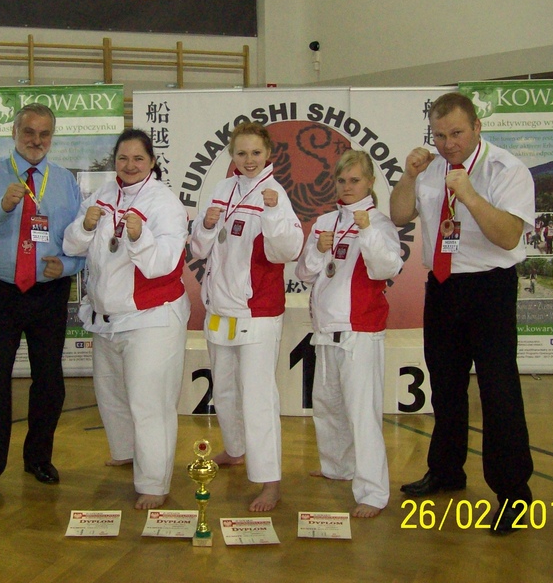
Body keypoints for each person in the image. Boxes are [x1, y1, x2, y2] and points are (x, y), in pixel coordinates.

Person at [389, 92, 535, 535]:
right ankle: (447, 471)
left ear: (476, 127)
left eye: (456, 133)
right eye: (439, 135)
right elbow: (398, 215)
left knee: (498, 390)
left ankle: (513, 494)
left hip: (490, 287)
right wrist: (408, 176)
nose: (448, 143)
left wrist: (469, 195)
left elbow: (508, 236)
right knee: (445, 386)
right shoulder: (431, 167)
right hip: (443, 286)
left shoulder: (505, 169)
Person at [63, 129, 190, 510]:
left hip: (151, 317)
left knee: (150, 403)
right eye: (123, 158)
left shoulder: (165, 204)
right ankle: (127, 452)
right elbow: (72, 245)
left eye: (138, 159)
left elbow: (164, 264)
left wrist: (139, 237)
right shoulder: (102, 195)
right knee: (112, 395)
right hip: (107, 317)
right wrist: (86, 226)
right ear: (114, 161)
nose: (130, 165)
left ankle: (154, 482)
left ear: (152, 162)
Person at [0, 103, 83, 502]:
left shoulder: (65, 180)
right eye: (29, 132)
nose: (36, 140)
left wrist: (68, 265)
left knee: (49, 380)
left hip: (48, 292)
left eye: (44, 133)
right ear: (14, 133)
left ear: (52, 137)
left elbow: (80, 239)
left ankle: (38, 458)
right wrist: (1, 206)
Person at [189, 121, 304, 512]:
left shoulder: (275, 194)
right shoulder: (222, 189)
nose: (249, 160)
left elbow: (287, 251)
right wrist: (206, 226)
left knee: (258, 398)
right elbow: (200, 249)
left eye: (256, 152)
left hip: (257, 310)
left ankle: (270, 481)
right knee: (223, 388)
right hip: (220, 306)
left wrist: (271, 214)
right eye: (241, 153)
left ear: (268, 153)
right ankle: (236, 448)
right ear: (232, 155)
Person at [295, 150, 402, 518]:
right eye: (341, 180)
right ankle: (337, 466)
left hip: (361, 331)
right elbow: (304, 273)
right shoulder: (325, 222)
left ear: (370, 182)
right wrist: (317, 250)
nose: (347, 186)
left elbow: (386, 269)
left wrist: (367, 231)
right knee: (328, 406)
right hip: (326, 331)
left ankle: (373, 492)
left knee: (362, 415)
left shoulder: (380, 224)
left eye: (355, 180)